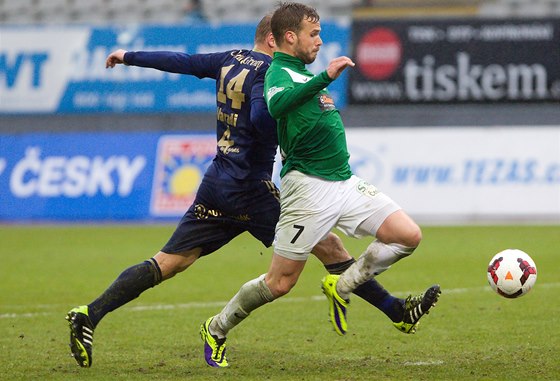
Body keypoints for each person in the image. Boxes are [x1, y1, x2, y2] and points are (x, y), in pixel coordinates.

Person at [65, 15, 421, 369]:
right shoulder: (270, 74)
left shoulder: (228, 59)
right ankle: (395, 311)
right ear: (275, 39)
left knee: (168, 263)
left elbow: (183, 62)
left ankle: (90, 313)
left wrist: (129, 56)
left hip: (217, 183)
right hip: (251, 190)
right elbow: (261, 117)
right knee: (325, 250)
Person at [201, 2, 441, 368]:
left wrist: (319, 79)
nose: (320, 40)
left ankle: (342, 285)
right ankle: (216, 327)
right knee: (279, 283)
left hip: (344, 182)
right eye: (313, 34)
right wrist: (324, 77)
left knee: (408, 235)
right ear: (290, 37)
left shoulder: (302, 72)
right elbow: (278, 106)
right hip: (307, 190)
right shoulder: (277, 73)